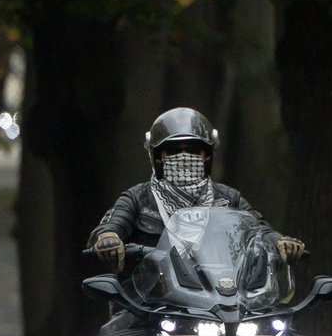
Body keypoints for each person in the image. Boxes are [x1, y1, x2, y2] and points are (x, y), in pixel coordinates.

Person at [90, 108, 306, 266]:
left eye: (194, 149)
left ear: (208, 155)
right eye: (173, 150)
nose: (184, 156)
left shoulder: (229, 199)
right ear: (156, 156)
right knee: (120, 318)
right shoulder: (138, 198)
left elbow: (258, 229)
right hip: (147, 302)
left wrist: (279, 242)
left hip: (221, 297)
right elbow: (111, 225)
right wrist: (108, 238)